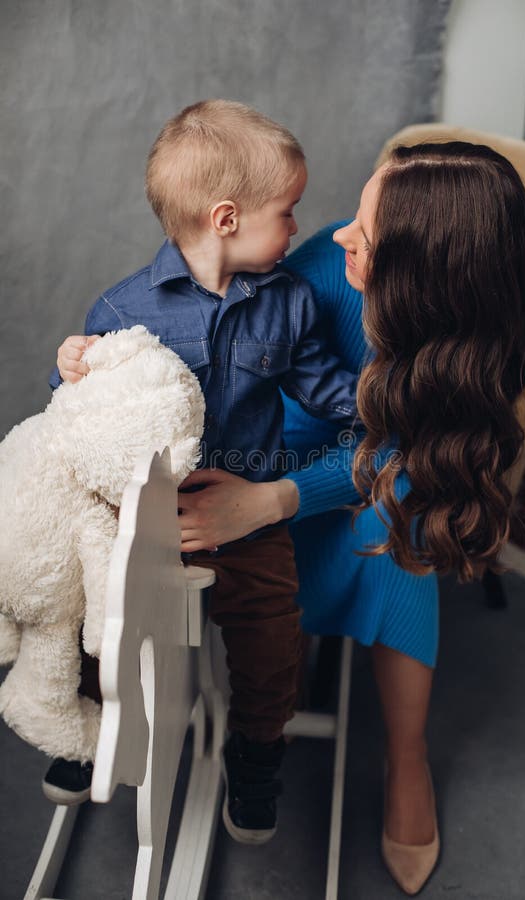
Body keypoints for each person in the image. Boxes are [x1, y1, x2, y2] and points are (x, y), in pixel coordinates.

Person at [59, 140, 525, 894]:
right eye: (353, 214)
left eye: (367, 233)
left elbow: (422, 453)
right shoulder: (318, 267)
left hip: (360, 479)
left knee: (400, 538)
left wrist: (276, 501)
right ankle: (103, 699)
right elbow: (214, 355)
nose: (338, 236)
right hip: (258, 450)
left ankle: (406, 755)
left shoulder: (513, 334)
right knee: (131, 541)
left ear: (430, 276)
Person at [50, 99, 359, 845]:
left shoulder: (287, 303)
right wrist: (69, 371)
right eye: (287, 212)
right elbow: (82, 417)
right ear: (226, 219)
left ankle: (257, 752)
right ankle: (87, 721)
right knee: (104, 611)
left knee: (268, 635)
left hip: (247, 507)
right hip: (150, 512)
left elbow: (326, 389)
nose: (296, 228)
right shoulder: (126, 307)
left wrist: (383, 403)